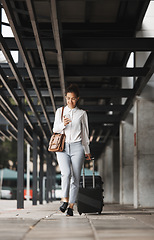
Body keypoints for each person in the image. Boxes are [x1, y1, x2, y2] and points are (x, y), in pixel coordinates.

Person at [53, 84, 91, 216]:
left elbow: (85, 134)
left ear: (77, 99)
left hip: (77, 147)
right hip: (62, 147)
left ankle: (71, 206)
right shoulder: (60, 111)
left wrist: (87, 150)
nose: (70, 101)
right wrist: (63, 123)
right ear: (65, 98)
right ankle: (64, 199)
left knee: (75, 177)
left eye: (73, 98)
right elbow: (54, 130)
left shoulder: (82, 114)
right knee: (66, 174)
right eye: (68, 98)